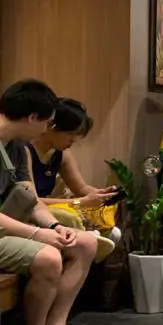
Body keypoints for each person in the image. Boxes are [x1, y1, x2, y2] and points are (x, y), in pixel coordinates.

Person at [0, 80, 104, 325]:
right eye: (47, 121)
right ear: (32, 117)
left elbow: (30, 200)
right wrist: (37, 234)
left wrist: (55, 226)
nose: (48, 128)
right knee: (48, 257)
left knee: (84, 243)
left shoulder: (16, 147)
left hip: (9, 226)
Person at [26, 98, 120, 257]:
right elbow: (31, 200)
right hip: (30, 211)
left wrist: (101, 195)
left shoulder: (61, 153)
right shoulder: (24, 151)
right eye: (70, 134)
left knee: (113, 233)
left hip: (47, 208)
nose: (73, 141)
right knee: (80, 229)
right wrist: (80, 202)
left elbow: (81, 188)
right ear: (51, 127)